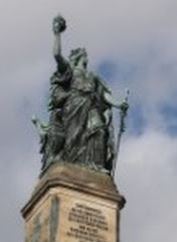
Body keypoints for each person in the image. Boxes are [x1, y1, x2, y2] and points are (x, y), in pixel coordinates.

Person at [43, 14, 129, 174]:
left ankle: (95, 166)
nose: (86, 57)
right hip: (74, 105)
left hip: (90, 105)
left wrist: (118, 104)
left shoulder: (93, 76)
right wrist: (57, 34)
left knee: (99, 131)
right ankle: (74, 165)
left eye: (85, 55)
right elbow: (56, 55)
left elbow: (103, 95)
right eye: (84, 55)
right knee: (73, 138)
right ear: (78, 57)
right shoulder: (69, 71)